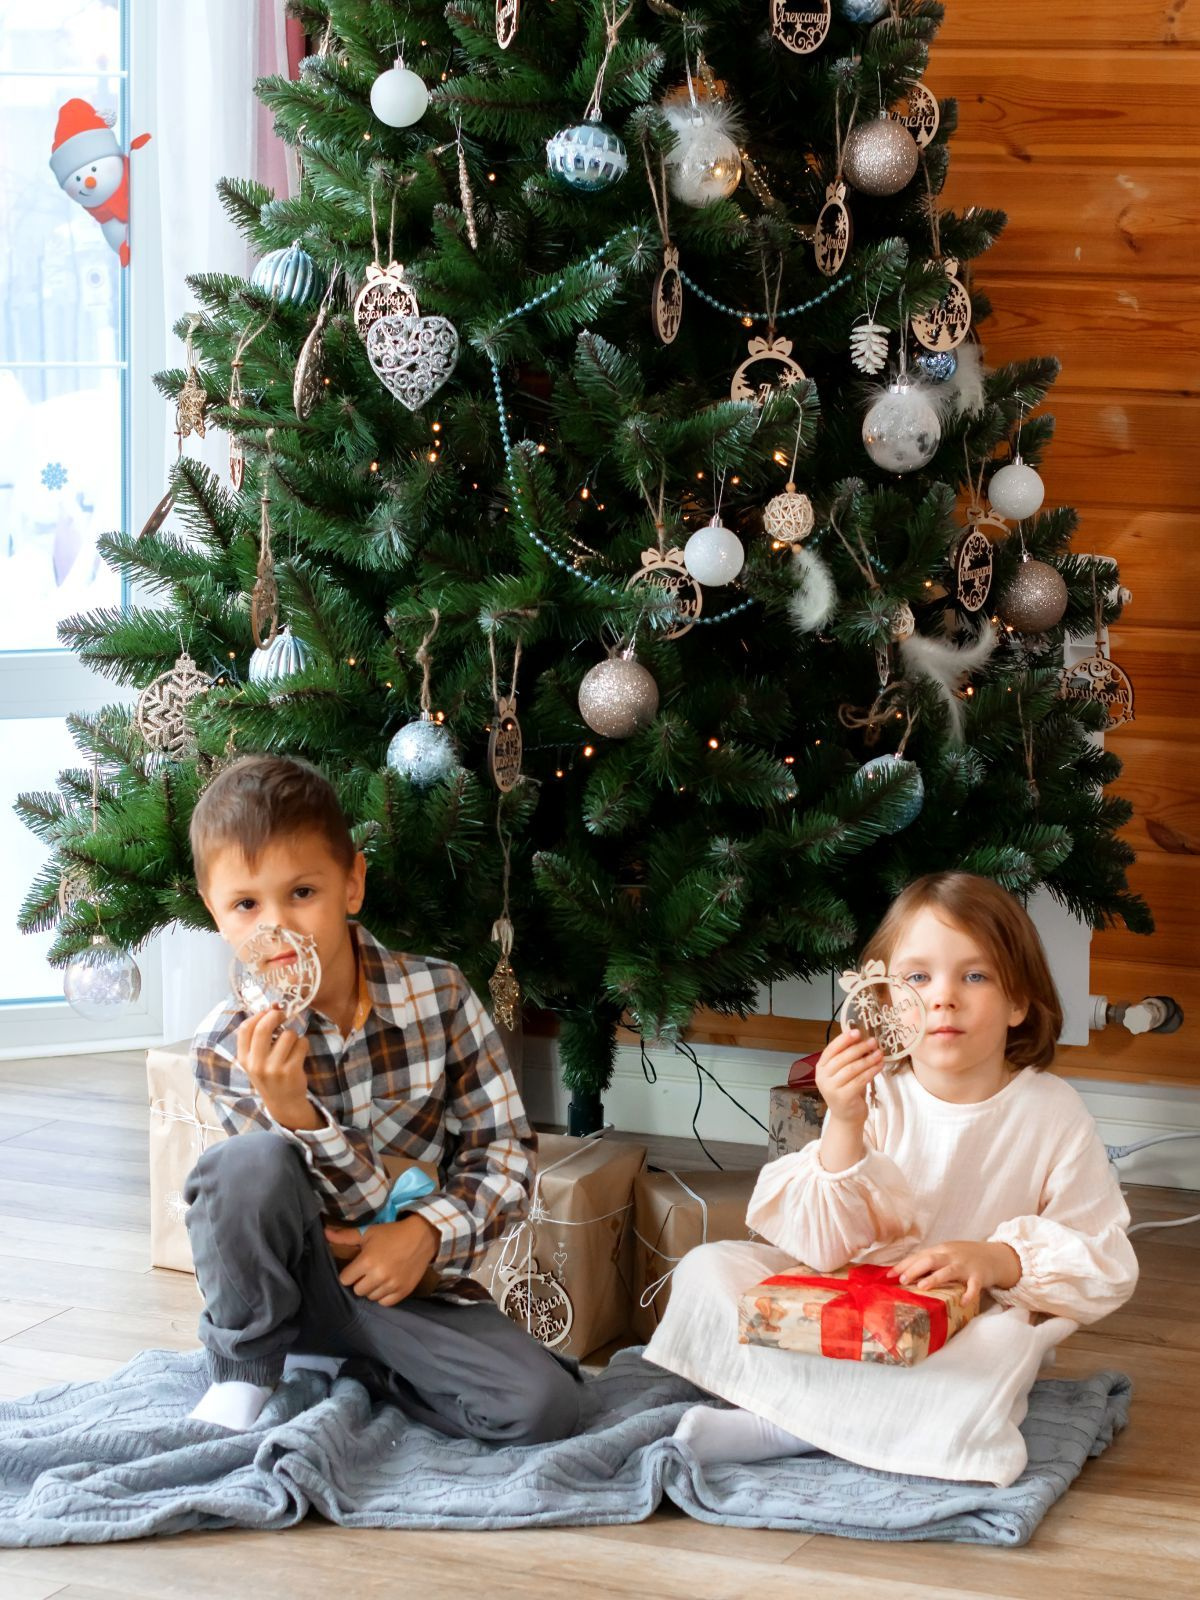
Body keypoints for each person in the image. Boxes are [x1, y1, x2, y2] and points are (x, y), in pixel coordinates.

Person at [644, 872, 1139, 1485]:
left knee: (1003, 1352)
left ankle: (785, 1425)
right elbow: (821, 1248)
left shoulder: (1052, 1111)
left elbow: (1105, 1260)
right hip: (846, 1306)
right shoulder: (878, 1097)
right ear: (883, 1000)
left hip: (960, 1328)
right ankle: (860, 1426)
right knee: (708, 1270)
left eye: (975, 976)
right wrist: (845, 1122)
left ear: (1019, 1003)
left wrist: (1000, 1258)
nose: (944, 998)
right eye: (917, 977)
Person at [182, 753, 581, 1444]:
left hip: (404, 1286)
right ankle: (247, 1368)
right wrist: (294, 1115)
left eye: (301, 893)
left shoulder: (442, 995)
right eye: (246, 905)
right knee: (243, 1165)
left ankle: (363, 1368)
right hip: (298, 1277)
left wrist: (423, 1234)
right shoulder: (225, 1044)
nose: (277, 928)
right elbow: (282, 1199)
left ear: (352, 883)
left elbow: (505, 1152)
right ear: (217, 916)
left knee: (545, 1405)